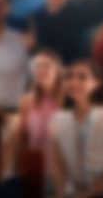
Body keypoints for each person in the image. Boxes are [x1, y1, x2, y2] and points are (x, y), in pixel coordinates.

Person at [49, 59, 103, 198]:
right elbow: (60, 168)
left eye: (82, 77)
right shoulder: (58, 120)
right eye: (69, 76)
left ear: (97, 82)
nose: (73, 82)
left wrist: (86, 195)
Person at [14, 49, 62, 198]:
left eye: (46, 66)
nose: (41, 70)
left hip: (60, 170)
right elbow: (22, 138)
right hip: (35, 169)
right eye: (37, 66)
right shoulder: (27, 101)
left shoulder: (66, 99)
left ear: (58, 70)